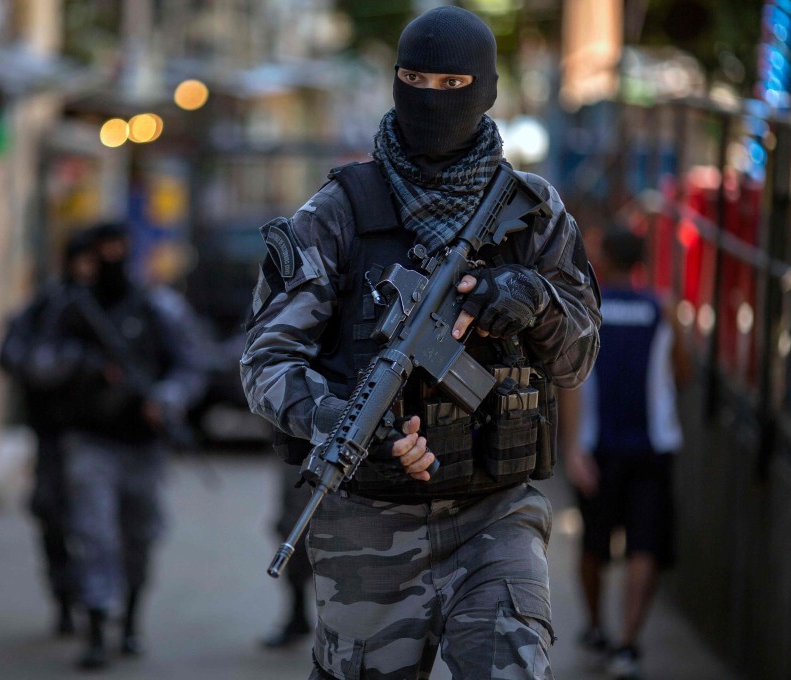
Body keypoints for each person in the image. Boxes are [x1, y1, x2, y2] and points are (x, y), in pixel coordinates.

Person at [240, 6, 601, 679]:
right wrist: (349, 423)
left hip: (495, 513)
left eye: (451, 84)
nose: (430, 99)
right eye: (414, 79)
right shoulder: (336, 215)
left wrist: (534, 300)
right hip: (368, 522)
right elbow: (266, 362)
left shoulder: (533, 212)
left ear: (486, 91)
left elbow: (579, 358)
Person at [30, 221, 207, 670]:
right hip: (88, 440)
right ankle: (95, 627)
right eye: (99, 250)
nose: (107, 260)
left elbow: (191, 366)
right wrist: (87, 367)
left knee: (140, 536)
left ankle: (129, 621)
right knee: (94, 535)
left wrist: (165, 399)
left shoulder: (156, 306)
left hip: (142, 444)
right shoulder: (68, 308)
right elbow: (38, 363)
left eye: (117, 249)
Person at [559, 226, 691, 679]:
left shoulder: (587, 312)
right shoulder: (663, 308)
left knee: (593, 545)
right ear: (640, 263)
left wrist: (573, 448)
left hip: (598, 449)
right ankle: (629, 644)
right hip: (653, 448)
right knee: (645, 543)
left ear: (607, 260)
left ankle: (596, 626)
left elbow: (571, 383)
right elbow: (684, 371)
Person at [0, 228, 98, 637]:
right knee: (52, 515)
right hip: (55, 434)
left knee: (100, 525)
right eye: (84, 260)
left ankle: (101, 606)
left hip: (103, 436)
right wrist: (55, 366)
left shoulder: (124, 307)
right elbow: (10, 353)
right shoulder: (48, 306)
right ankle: (63, 598)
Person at [261, 460, 314, 649]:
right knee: (290, 531)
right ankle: (298, 618)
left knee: (298, 534)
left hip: (322, 453)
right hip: (297, 450)